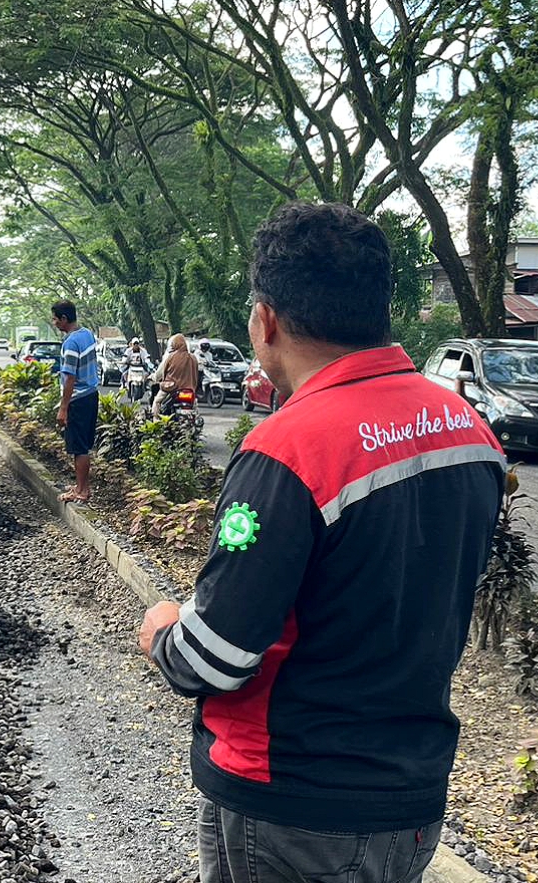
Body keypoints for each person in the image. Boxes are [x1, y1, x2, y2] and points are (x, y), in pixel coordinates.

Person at [136, 202, 506, 883]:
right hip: (411, 797)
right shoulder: (465, 429)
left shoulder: (289, 449)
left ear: (265, 319)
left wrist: (160, 628)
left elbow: (209, 661)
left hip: (293, 802)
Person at [52, 300, 99, 504]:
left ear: (64, 318)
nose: (54, 322)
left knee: (78, 447)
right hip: (91, 394)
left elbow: (69, 377)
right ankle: (81, 486)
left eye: (55, 318)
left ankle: (82, 491)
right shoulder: (87, 333)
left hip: (77, 399)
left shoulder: (70, 343)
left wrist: (63, 408)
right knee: (83, 446)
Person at [150, 334, 198, 416]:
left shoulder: (170, 357)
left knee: (157, 401)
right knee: (195, 406)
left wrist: (154, 377)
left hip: (171, 388)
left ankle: (155, 421)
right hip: (189, 388)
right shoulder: (193, 358)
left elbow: (161, 373)